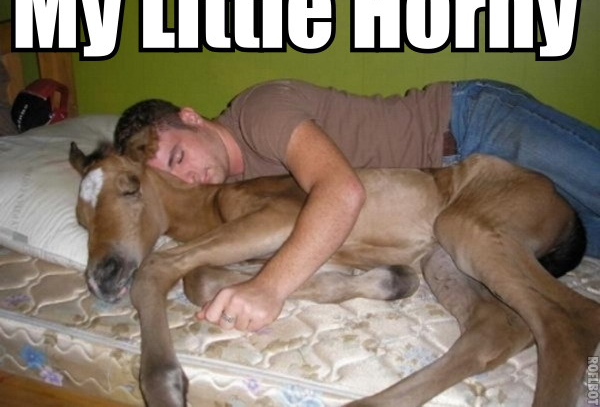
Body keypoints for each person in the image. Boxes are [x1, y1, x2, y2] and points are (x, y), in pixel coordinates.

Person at [114, 79, 600, 332]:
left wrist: (269, 288)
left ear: (192, 118)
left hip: (470, 125)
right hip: (459, 200)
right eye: (171, 176)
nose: (189, 177)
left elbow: (341, 193)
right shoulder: (237, 190)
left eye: (179, 156)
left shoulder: (258, 111)